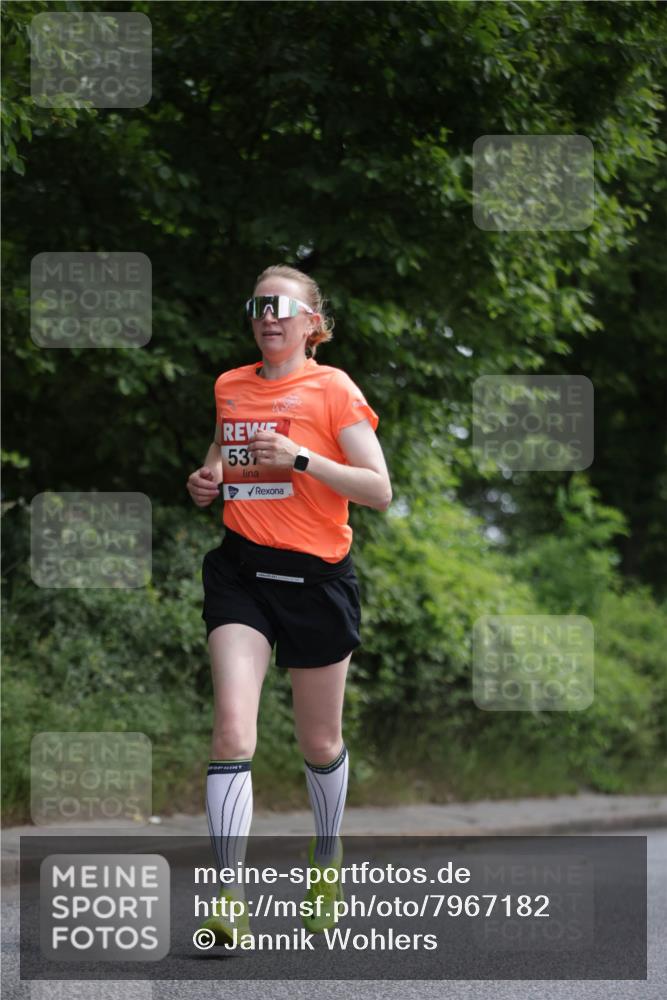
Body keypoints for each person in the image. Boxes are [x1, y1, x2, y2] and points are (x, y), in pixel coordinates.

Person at [186, 264, 392, 945]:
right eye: (257, 305)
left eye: (281, 306)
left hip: (316, 581)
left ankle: (326, 855)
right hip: (241, 573)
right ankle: (226, 899)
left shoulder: (333, 390)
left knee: (318, 741)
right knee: (230, 733)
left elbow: (377, 489)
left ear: (312, 323)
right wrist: (209, 477)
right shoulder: (230, 385)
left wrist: (301, 458)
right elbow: (224, 450)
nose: (267, 315)